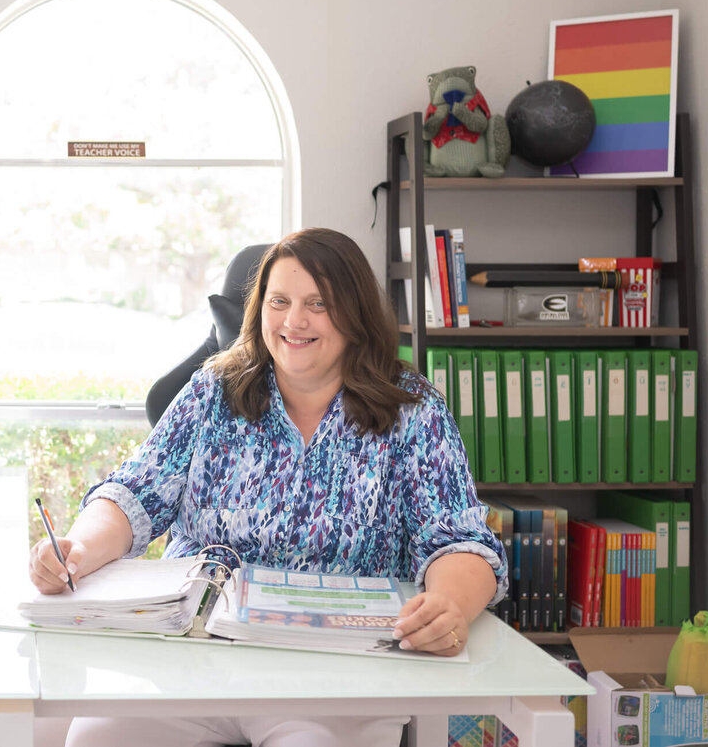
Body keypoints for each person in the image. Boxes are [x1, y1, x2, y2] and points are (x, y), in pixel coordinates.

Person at [29, 227, 508, 747]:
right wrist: (76, 549)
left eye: (317, 304)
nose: (293, 321)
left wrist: (450, 606)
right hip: (198, 660)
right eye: (279, 301)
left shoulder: (411, 409)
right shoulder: (214, 390)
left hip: (337, 677)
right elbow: (133, 493)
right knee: (93, 739)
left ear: (355, 314)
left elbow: (459, 539)